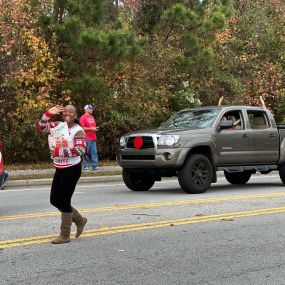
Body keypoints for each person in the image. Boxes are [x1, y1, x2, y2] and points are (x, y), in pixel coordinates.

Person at [38, 105, 88, 244]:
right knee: (54, 200)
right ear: (61, 114)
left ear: (76, 115)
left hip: (72, 168)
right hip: (59, 167)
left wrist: (58, 152)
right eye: (65, 111)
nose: (68, 113)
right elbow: (41, 127)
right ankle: (79, 220)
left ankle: (65, 235)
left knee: (64, 201)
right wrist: (48, 113)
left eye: (71, 111)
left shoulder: (78, 130)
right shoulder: (56, 126)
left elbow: (80, 150)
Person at [79, 104, 99, 171]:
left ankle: (95, 166)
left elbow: (93, 127)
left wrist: (95, 129)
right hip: (86, 138)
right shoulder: (83, 117)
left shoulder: (92, 117)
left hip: (93, 138)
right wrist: (91, 128)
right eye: (90, 108)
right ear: (86, 109)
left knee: (94, 152)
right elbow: (81, 128)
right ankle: (86, 166)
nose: (92, 110)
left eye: (92, 108)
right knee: (86, 153)